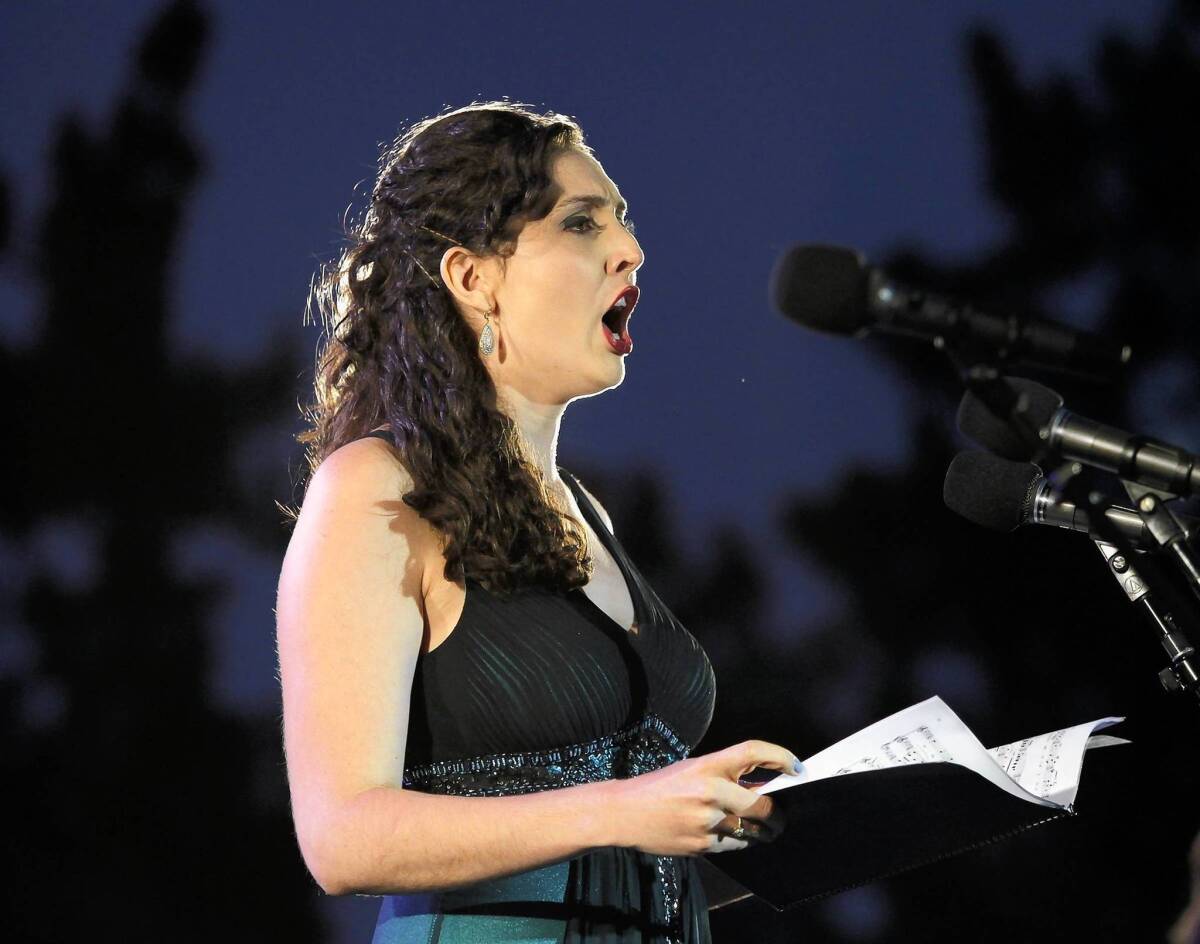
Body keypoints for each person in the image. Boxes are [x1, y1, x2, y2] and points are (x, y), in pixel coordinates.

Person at [275, 101, 798, 943]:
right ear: (473, 277)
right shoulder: (373, 489)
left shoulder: (586, 513)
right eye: (582, 223)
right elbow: (341, 836)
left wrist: (816, 828)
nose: (629, 249)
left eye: (622, 222)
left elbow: (621, 855)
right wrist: (624, 808)